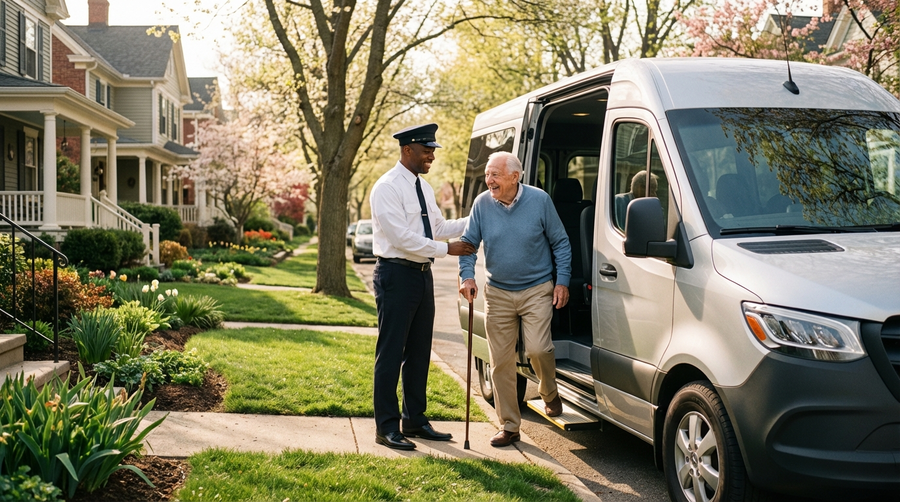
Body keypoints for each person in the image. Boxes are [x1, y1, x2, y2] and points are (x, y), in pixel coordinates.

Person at [369, 123, 476, 451]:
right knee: (391, 353)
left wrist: (481, 218)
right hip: (395, 276)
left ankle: (414, 419)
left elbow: (439, 227)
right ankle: (386, 427)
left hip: (420, 275)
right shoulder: (386, 187)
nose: (432, 154)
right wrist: (449, 249)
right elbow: (401, 238)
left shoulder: (424, 188)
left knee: (418, 352)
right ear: (407, 150)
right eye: (426, 149)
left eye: (432, 149)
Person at [458, 151, 571, 447]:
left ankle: (549, 392)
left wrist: (563, 281)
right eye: (487, 174)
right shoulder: (482, 204)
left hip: (536, 288)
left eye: (495, 174)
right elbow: (469, 245)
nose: (489, 180)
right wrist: (467, 277)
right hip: (498, 291)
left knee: (538, 349)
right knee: (501, 362)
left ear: (514, 177)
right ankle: (509, 425)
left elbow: (560, 242)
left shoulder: (539, 201)